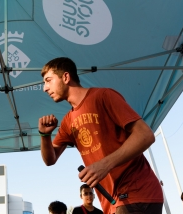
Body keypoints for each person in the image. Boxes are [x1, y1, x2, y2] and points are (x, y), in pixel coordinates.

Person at [39, 57, 163, 214]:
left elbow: (145, 135)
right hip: (110, 202)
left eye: (48, 80)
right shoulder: (67, 121)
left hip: (136, 193)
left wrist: (105, 164)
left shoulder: (104, 96)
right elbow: (50, 160)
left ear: (66, 77)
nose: (45, 88)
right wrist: (44, 135)